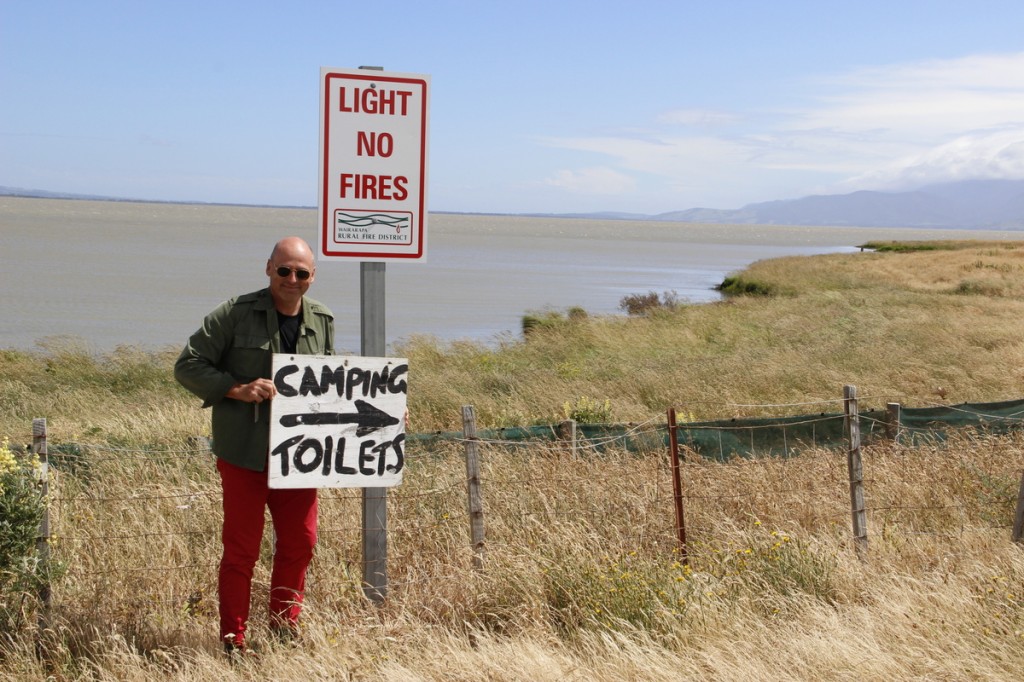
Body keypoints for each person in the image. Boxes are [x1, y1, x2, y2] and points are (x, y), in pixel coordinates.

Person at [174, 236, 334, 653]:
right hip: (245, 454)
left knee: (300, 543)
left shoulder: (323, 320)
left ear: (313, 277)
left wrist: (383, 414)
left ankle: (285, 628)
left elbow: (334, 388)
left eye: (301, 273)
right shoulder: (234, 313)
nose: (292, 279)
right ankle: (234, 641)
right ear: (268, 269)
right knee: (242, 551)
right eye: (284, 270)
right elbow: (188, 365)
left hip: (301, 457)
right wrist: (235, 389)